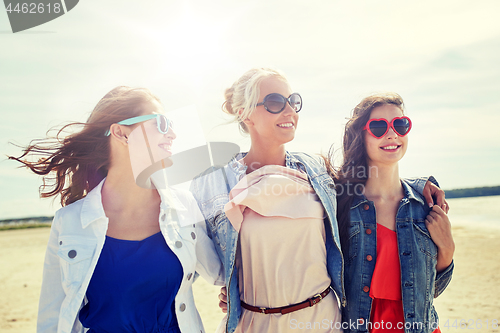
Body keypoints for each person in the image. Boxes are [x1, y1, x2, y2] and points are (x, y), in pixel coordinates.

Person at [190, 68, 445, 333]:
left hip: (323, 320)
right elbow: (189, 242)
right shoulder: (217, 182)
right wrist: (227, 285)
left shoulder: (313, 170)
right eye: (276, 103)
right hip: (255, 322)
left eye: (293, 102)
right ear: (244, 113)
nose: (289, 111)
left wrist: (417, 186)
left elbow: (367, 179)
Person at [10, 86, 223, 333]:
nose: (173, 133)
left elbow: (222, 273)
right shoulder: (68, 222)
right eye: (161, 123)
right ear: (121, 133)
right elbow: (52, 317)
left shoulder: (184, 205)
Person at [328, 92, 454, 333]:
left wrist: (447, 249)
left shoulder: (425, 205)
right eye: (378, 126)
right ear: (360, 135)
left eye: (400, 124)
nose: (392, 134)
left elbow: (433, 290)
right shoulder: (341, 204)